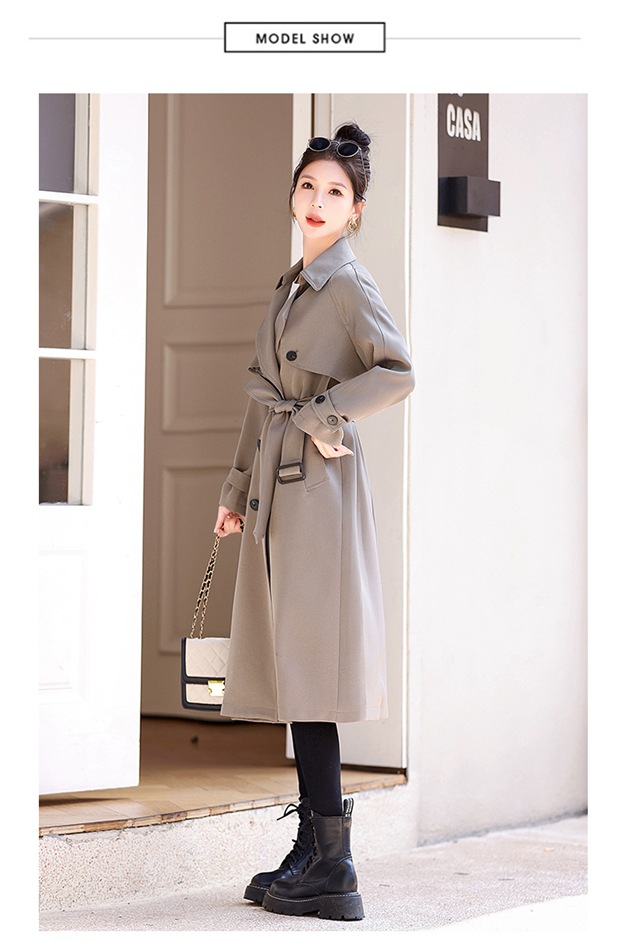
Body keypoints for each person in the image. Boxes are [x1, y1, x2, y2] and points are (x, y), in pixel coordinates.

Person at [213, 123, 415, 920]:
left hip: (319, 492)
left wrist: (325, 413)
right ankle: (314, 848)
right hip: (278, 488)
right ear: (293, 195)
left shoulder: (349, 283)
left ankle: (335, 865)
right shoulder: (293, 283)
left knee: (312, 670)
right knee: (297, 671)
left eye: (335, 191)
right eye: (308, 186)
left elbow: (398, 370)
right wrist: (235, 488)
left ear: (355, 209)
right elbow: (262, 394)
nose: (318, 200)